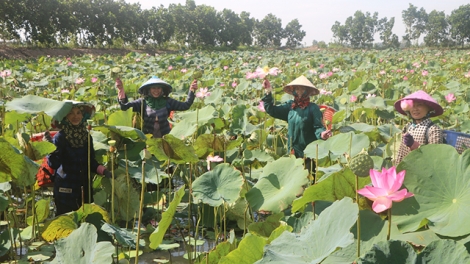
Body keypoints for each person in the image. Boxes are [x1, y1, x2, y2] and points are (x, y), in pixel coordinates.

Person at [47, 102, 112, 215]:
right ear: (65, 117)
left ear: (83, 116)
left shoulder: (87, 136)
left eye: (78, 113)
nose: (75, 116)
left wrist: (104, 171)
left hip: (84, 187)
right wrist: (50, 148)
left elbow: (91, 162)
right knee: (66, 223)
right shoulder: (60, 137)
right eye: (71, 113)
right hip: (65, 188)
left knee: (85, 221)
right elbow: (53, 164)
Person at [261, 75, 332, 162]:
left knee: (308, 174)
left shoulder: (313, 108)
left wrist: (322, 134)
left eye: (303, 89)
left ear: (308, 91)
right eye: (297, 89)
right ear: (293, 90)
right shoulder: (290, 106)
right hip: (292, 151)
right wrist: (268, 91)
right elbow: (272, 110)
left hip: (309, 153)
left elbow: (318, 127)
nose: (299, 92)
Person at [115, 76, 197, 138]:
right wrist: (121, 89)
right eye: (153, 88)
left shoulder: (168, 101)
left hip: (165, 136)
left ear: (162, 90)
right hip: (147, 137)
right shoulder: (142, 102)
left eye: (158, 88)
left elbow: (185, 106)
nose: (156, 91)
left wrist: (191, 91)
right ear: (149, 89)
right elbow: (125, 107)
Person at [394, 90, 443, 164]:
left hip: (422, 170)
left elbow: (434, 155)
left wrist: (414, 145)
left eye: (419, 105)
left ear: (429, 108)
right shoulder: (407, 127)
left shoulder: (433, 129)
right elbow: (401, 152)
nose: (415, 109)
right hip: (406, 169)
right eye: (412, 105)